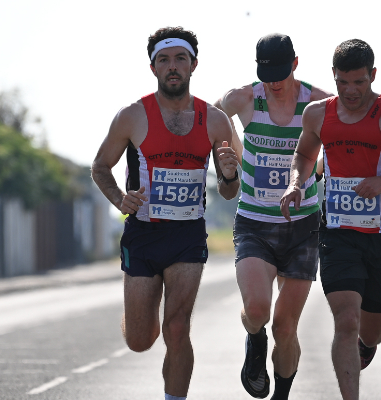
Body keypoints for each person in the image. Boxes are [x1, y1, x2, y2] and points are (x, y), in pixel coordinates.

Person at [279, 38, 381, 400]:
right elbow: (304, 154)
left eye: (359, 82)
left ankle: (368, 344)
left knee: (370, 330)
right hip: (337, 233)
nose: (351, 91)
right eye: (342, 82)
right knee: (346, 321)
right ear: (333, 77)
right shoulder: (318, 114)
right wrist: (295, 184)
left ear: (373, 76)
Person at [90, 26, 242, 400]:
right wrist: (118, 199)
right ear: (153, 67)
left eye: (179, 59)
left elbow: (229, 192)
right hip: (143, 234)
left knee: (177, 328)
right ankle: (138, 315)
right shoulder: (132, 116)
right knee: (141, 340)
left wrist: (228, 174)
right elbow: (99, 167)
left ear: (193, 65)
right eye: (164, 60)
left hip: (187, 235)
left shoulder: (216, 120)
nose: (172, 67)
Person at [215, 33, 333, 400]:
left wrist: (319, 171)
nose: (274, 83)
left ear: (295, 64)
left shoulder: (318, 103)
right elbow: (211, 120)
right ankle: (253, 339)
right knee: (258, 310)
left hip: (302, 225)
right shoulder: (245, 98)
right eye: (267, 75)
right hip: (255, 221)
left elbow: (345, 137)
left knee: (285, 326)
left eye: (281, 74)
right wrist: (231, 157)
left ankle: (281, 394)